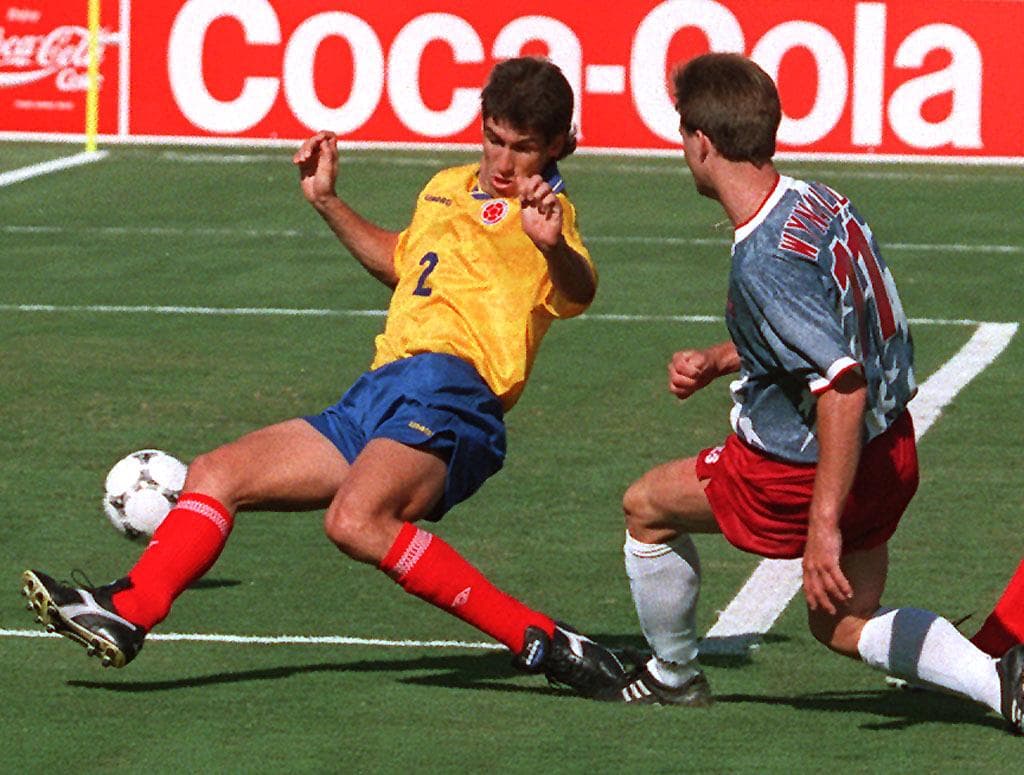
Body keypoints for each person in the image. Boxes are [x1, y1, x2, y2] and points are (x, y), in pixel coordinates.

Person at [21, 56, 625, 698]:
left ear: (560, 145)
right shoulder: (445, 185)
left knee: (354, 521)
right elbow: (402, 263)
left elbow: (578, 290)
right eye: (494, 140)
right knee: (216, 473)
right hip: (379, 391)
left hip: (454, 395)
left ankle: (544, 640)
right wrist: (328, 202)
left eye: (524, 149)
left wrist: (552, 243)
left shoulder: (549, 215)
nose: (503, 163)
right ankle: (128, 611)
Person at [599, 52, 1024, 733]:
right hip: (890, 453)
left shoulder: (762, 256)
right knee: (841, 622)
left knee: (646, 506)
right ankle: (1001, 681)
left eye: (684, 137)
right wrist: (723, 357)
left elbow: (842, 384)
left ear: (701, 143)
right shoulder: (820, 201)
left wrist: (820, 525)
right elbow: (835, 327)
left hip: (793, 474)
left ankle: (672, 675)